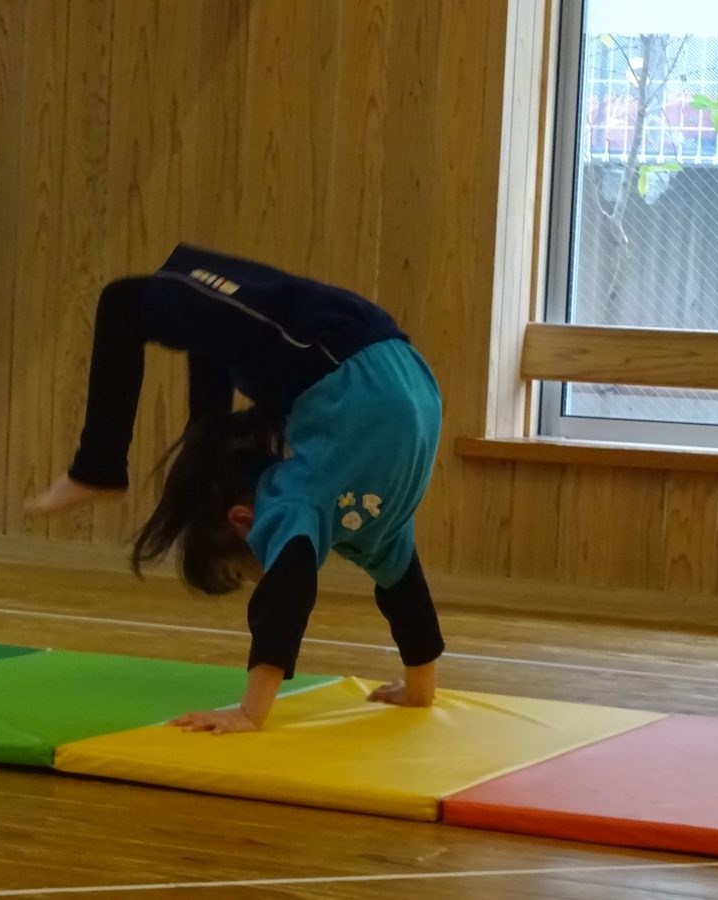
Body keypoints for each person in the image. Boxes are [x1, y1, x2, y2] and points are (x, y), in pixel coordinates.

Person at [25, 244, 445, 734]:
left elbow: (286, 599)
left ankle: (96, 469)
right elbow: (404, 596)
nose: (262, 573)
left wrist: (250, 712)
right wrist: (418, 693)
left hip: (357, 363)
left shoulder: (301, 505)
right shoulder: (365, 530)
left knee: (124, 302)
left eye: (247, 569)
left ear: (243, 519)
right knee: (201, 343)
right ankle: (181, 442)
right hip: (375, 364)